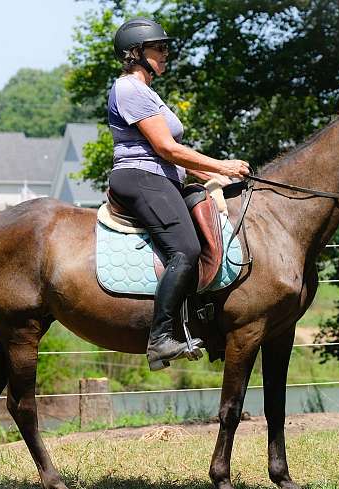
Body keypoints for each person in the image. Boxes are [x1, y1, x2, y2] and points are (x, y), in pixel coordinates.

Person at [108, 18, 250, 371]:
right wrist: (222, 164)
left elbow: (176, 159)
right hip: (139, 178)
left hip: (163, 178)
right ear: (135, 53)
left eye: (166, 48)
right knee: (185, 248)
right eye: (159, 48)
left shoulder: (149, 93)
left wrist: (225, 176)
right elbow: (166, 148)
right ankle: (160, 338)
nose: (166, 54)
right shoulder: (129, 89)